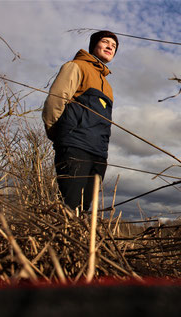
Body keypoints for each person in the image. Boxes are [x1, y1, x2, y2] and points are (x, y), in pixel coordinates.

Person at [42, 30, 119, 211]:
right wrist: (60, 136)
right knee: (70, 205)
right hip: (75, 145)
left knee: (84, 209)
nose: (110, 47)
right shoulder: (76, 66)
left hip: (99, 153)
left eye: (114, 46)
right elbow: (55, 100)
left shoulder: (108, 86)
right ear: (94, 45)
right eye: (105, 42)